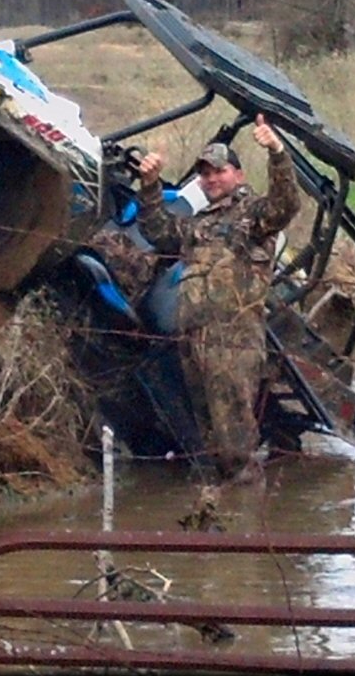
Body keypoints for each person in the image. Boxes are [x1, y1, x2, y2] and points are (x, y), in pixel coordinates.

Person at [136, 113, 300, 480]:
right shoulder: (200, 223)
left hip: (234, 340)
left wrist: (276, 152)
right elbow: (159, 232)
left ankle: (245, 518)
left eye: (219, 171)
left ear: (238, 175)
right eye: (205, 173)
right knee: (207, 437)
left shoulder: (254, 214)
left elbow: (286, 204)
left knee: (234, 443)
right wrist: (148, 186)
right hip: (193, 338)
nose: (211, 179)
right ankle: (213, 515)